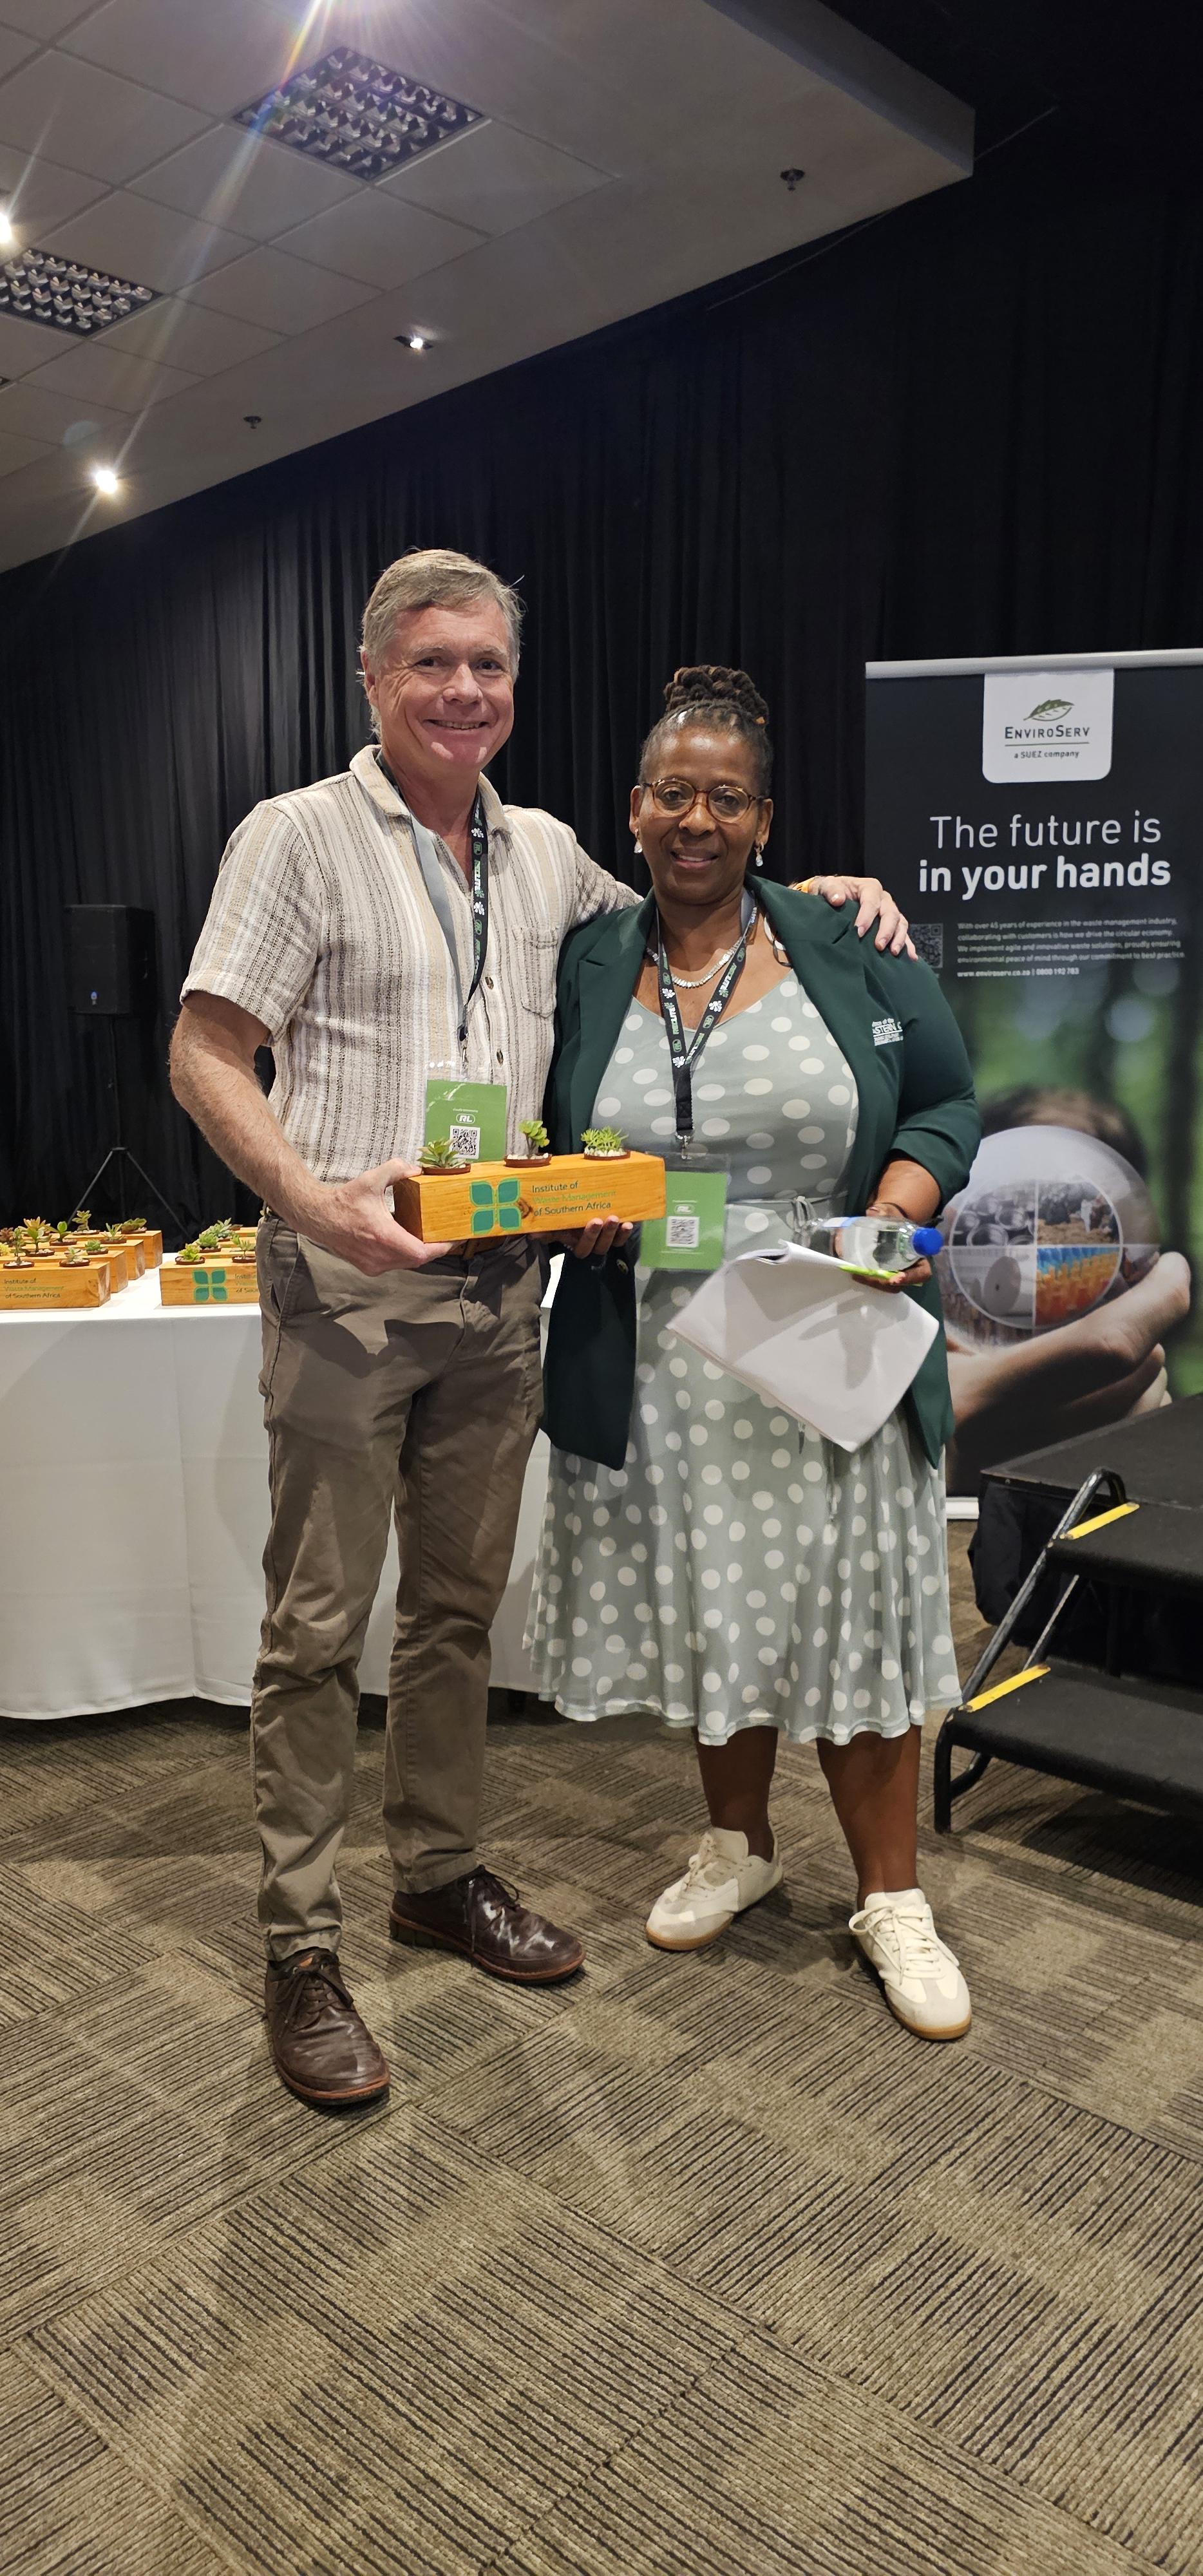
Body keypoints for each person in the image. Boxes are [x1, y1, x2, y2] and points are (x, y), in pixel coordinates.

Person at [169, 553, 911, 2110]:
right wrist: (308, 1199)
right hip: (350, 1286)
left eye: (489, 665)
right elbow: (206, 1049)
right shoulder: (296, 835)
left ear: (514, 685)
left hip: (502, 1294)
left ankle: (436, 1875)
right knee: (317, 1628)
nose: (463, 690)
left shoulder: (549, 853)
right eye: (432, 662)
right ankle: (301, 1943)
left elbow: (701, 916)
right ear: (373, 676)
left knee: (454, 1615)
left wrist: (830, 901)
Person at [529, 665, 981, 2041]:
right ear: (634, 809)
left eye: (727, 798)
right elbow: (548, 1138)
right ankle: (738, 1843)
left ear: (764, 819)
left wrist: (891, 1211)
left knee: (854, 1614)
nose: (698, 819)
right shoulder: (586, 961)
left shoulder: (853, 942)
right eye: (675, 793)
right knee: (715, 1605)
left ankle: (892, 1896)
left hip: (825, 1330)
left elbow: (947, 1104)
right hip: (663, 1352)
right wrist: (569, 1207)